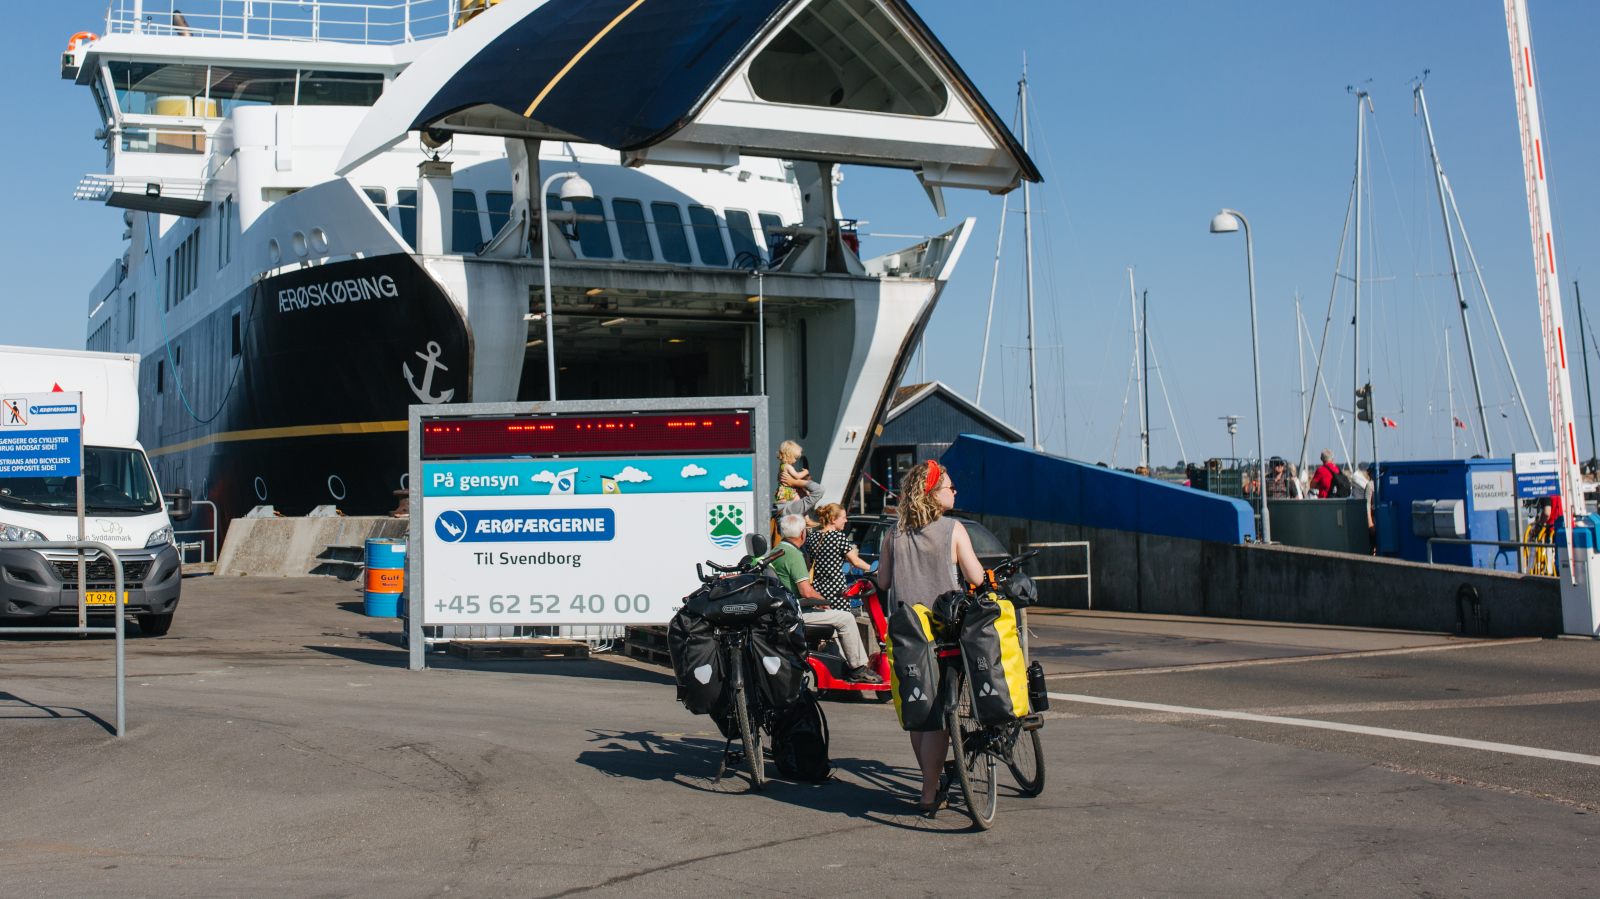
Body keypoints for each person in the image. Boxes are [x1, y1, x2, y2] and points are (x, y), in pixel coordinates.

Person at [876, 460, 986, 818]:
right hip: (946, 632)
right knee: (942, 712)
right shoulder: (953, 529)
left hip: (908, 634)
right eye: (949, 487)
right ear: (932, 493)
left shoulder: (894, 534)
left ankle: (930, 783)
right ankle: (928, 793)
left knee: (919, 710)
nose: (954, 492)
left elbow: (883, 583)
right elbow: (976, 576)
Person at [769, 514, 881, 684]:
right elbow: (806, 591)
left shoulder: (776, 551)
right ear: (801, 533)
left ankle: (842, 664)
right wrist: (825, 602)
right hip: (796, 613)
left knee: (837, 621)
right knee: (846, 617)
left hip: (786, 610)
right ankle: (858, 668)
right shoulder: (793, 555)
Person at [807, 503, 873, 611]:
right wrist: (873, 569)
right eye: (843, 518)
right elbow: (855, 562)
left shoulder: (812, 537)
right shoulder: (838, 537)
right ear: (833, 519)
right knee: (842, 622)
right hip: (836, 590)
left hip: (817, 590)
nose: (846, 521)